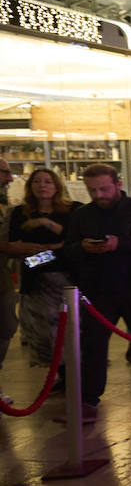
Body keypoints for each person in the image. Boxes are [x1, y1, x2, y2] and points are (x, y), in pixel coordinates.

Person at [61, 164, 131, 420]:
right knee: (94, 344)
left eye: (104, 188)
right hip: (98, 288)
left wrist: (121, 244)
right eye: (92, 190)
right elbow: (68, 249)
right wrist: (84, 247)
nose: (99, 195)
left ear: (118, 184)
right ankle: (90, 399)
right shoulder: (82, 214)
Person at [5, 168, 73, 381]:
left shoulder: (72, 210)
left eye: (47, 181)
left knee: (66, 330)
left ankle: (70, 376)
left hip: (65, 278)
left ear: (56, 185)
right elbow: (17, 246)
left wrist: (45, 225)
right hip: (34, 279)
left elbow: (71, 244)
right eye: (37, 181)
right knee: (42, 332)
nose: (42, 185)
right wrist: (51, 249)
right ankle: (59, 374)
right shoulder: (19, 213)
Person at [0, 158, 22, 379]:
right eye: (4, 172)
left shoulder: (8, 209)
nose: (10, 178)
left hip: (4, 280)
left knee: (6, 327)